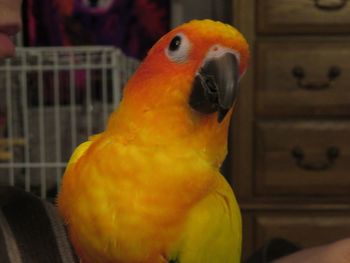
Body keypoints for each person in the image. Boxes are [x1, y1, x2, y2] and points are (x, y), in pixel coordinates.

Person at [0, 0, 349, 262]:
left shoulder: (209, 205)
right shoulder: (84, 161)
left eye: (235, 70)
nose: (220, 63)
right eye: (178, 49)